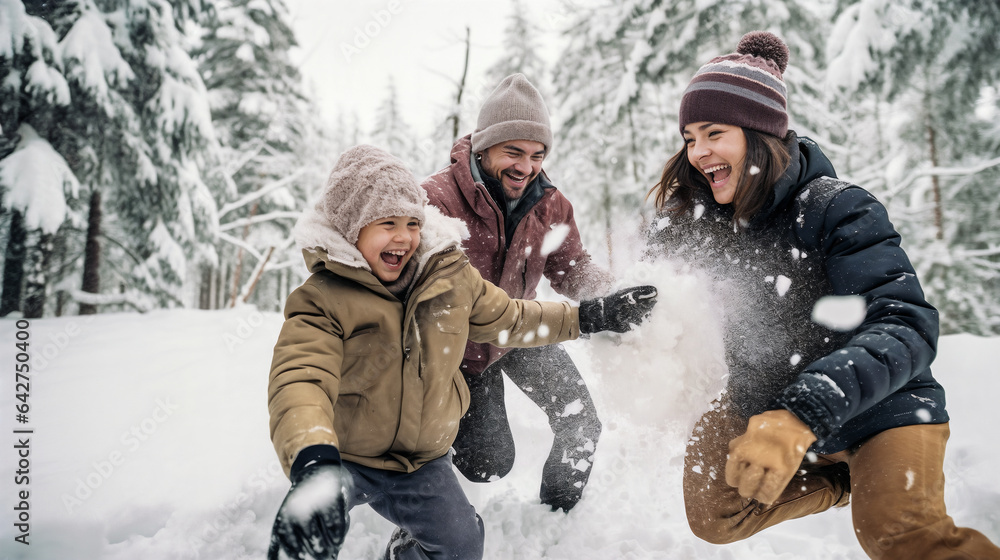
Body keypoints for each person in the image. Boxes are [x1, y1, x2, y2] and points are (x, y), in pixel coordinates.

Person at [646, 31, 1000, 559]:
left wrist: (804, 411)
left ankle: (872, 476)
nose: (698, 152)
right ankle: (844, 481)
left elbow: (907, 326)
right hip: (765, 404)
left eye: (713, 133)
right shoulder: (704, 226)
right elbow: (660, 297)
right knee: (715, 513)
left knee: (897, 536)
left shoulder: (837, 208)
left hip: (881, 407)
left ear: (759, 131)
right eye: (689, 137)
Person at [266, 144, 657, 560]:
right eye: (386, 223)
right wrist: (313, 461)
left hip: (420, 463)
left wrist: (589, 317)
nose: (403, 236)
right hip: (346, 460)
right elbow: (301, 382)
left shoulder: (448, 276)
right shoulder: (323, 300)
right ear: (350, 229)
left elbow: (511, 319)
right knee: (312, 530)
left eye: (412, 222)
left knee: (463, 546)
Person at [422, 73, 618, 512]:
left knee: (581, 423)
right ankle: (425, 495)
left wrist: (614, 295)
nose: (526, 166)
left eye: (536, 155)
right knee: (487, 463)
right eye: (514, 152)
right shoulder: (436, 200)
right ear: (483, 146)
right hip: (460, 355)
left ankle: (556, 516)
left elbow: (571, 268)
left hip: (520, 332)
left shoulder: (550, 204)